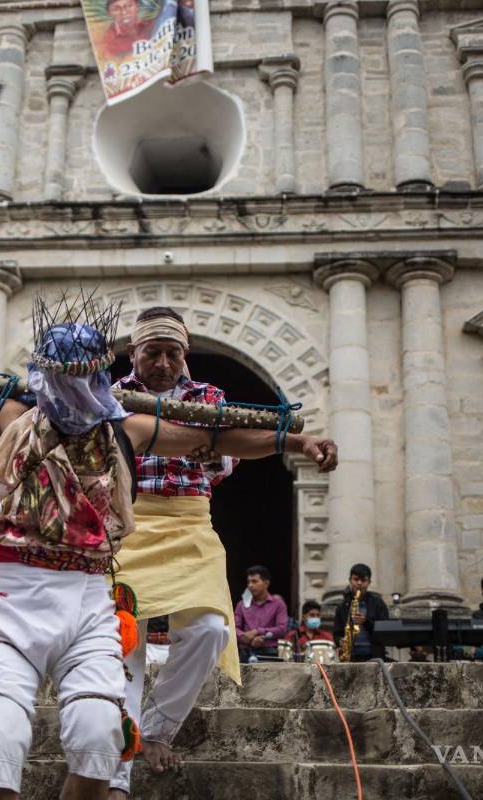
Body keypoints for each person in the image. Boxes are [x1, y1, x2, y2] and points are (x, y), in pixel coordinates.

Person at [0, 295, 338, 800]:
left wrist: (296, 442)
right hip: (13, 593)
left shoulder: (125, 428)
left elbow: (216, 439)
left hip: (90, 598)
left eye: (83, 379)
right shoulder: (13, 416)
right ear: (45, 376)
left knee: (100, 732)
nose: (73, 394)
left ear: (101, 377)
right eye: (62, 379)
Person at [111, 306, 328, 794]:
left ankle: (158, 729)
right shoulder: (111, 398)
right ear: (133, 353)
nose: (163, 363)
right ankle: (115, 776)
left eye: (173, 353)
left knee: (210, 628)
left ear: (185, 354)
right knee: (123, 647)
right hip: (126, 523)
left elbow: (228, 454)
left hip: (190, 522)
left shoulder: (209, 398)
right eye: (153, 353)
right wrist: (201, 442)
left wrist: (300, 441)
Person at [332, 563, 390, 662]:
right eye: (356, 579)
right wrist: (340, 641)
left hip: (374, 656)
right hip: (350, 658)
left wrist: (366, 622)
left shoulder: (378, 603)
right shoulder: (342, 606)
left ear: (369, 582)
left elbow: (385, 631)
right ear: (350, 580)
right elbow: (336, 633)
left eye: (363, 580)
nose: (359, 583)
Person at [234, 565, 288, 663]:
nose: (250, 585)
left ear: (266, 583)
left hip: (270, 653)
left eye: (254, 581)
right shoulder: (241, 604)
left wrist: (258, 632)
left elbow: (282, 629)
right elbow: (234, 628)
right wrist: (244, 637)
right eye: (248, 582)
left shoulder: (278, 604)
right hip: (245, 653)